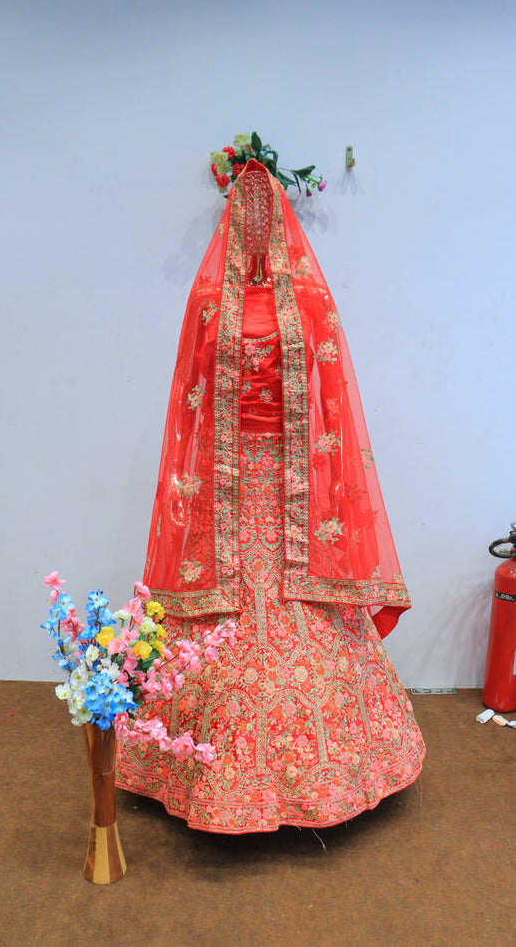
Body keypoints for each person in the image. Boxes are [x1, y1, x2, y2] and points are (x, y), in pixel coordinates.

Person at [116, 159, 425, 833]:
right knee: (212, 624)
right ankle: (195, 771)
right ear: (233, 219)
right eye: (244, 211)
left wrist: (337, 490)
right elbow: (188, 403)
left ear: (280, 220)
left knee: (309, 620)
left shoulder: (309, 299)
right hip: (223, 488)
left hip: (294, 488)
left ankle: (328, 773)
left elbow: (334, 401)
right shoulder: (207, 301)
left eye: (266, 212)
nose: (256, 226)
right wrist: (186, 492)